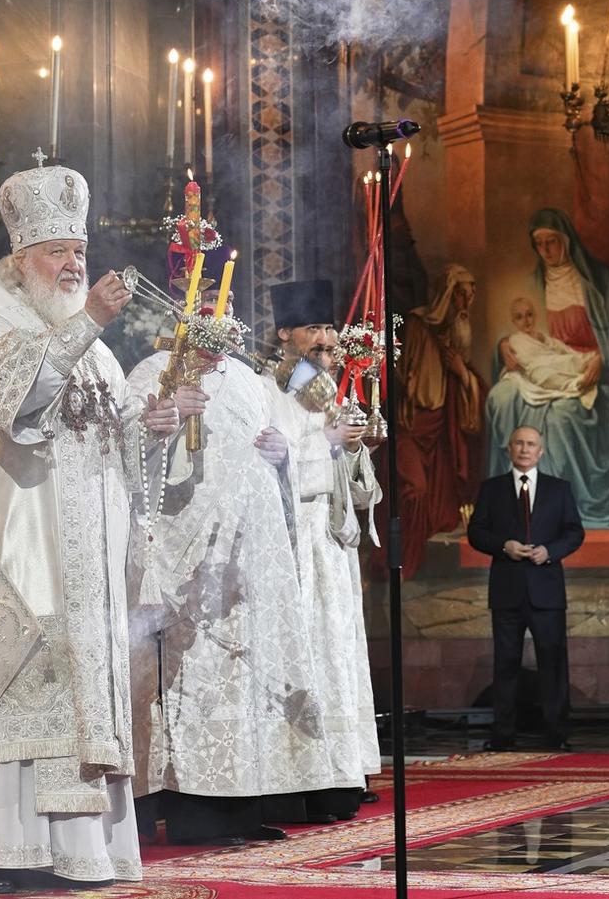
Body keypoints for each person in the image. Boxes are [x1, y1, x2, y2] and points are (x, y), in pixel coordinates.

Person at [0, 160, 204, 892]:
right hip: (19, 560)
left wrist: (155, 428)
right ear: (21, 259)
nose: (75, 265)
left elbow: (116, 441)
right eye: (58, 252)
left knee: (85, 702)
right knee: (25, 700)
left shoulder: (93, 344)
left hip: (89, 576)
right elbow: (4, 397)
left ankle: (82, 851)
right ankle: (10, 852)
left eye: (80, 251)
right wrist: (91, 319)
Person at [123, 280, 335, 846]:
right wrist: (158, 425)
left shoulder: (247, 379)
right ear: (183, 318)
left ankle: (232, 809)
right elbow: (124, 460)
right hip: (177, 565)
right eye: (207, 313)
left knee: (237, 681)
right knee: (174, 687)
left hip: (242, 562)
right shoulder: (151, 374)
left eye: (227, 313)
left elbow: (284, 445)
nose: (221, 325)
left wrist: (281, 455)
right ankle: (173, 809)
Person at [262, 279, 382, 824]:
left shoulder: (327, 389)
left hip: (331, 547)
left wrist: (353, 450)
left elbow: (359, 491)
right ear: (285, 333)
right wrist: (326, 446)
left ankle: (343, 771)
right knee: (307, 652)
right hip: (295, 546)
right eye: (314, 329)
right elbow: (270, 460)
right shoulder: (270, 387)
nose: (325, 340)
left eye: (329, 330)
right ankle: (305, 778)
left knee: (338, 654)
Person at [484, 209, 609, 530]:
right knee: (501, 397)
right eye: (538, 244)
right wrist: (503, 345)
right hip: (542, 366)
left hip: (588, 372)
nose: (545, 251)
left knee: (560, 417)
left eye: (552, 242)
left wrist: (601, 357)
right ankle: (505, 506)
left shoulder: (599, 282)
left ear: (567, 241)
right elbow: (519, 326)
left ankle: (556, 512)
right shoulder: (535, 281)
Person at [467, 425, 585, 751]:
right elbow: (476, 532)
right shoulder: (491, 489)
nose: (524, 448)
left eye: (531, 444)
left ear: (540, 451)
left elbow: (574, 532)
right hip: (507, 589)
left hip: (546, 590)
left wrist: (551, 551)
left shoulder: (559, 489)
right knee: (506, 663)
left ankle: (557, 733)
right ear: (509, 448)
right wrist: (503, 545)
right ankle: (503, 734)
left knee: (553, 662)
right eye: (518, 442)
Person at [392, 264, 485, 574]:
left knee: (443, 511)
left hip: (440, 436)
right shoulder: (418, 325)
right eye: (460, 296)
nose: (465, 306)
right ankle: (403, 567)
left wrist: (461, 373)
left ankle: (417, 569)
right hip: (411, 428)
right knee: (414, 490)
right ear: (448, 294)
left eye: (470, 298)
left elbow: (471, 392)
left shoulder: (454, 336)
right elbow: (402, 376)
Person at [498, 295, 597, 409]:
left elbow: (564, 349)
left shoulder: (544, 337)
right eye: (519, 317)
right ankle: (575, 384)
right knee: (544, 375)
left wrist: (580, 357)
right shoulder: (515, 340)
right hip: (536, 369)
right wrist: (545, 363)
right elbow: (524, 361)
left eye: (529, 315)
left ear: (535, 316)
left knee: (569, 360)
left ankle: (583, 371)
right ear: (514, 321)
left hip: (555, 363)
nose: (526, 320)